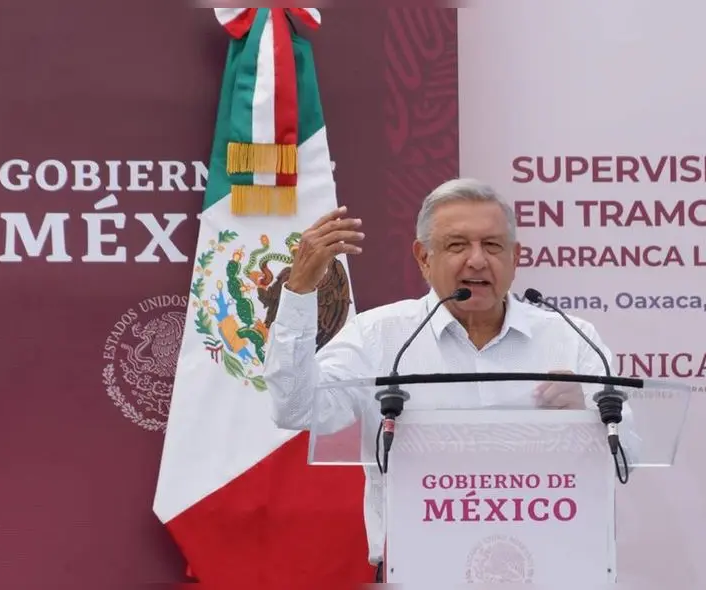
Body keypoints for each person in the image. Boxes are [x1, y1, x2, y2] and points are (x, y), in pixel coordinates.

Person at [262, 177, 639, 583]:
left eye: (492, 246)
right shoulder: (381, 337)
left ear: (515, 258)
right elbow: (296, 408)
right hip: (420, 570)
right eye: (458, 245)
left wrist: (583, 415)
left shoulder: (570, 338)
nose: (477, 261)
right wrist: (299, 292)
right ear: (423, 257)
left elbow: (628, 455)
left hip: (551, 569)